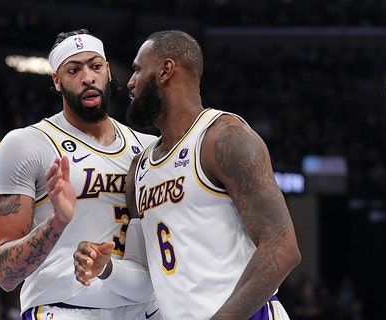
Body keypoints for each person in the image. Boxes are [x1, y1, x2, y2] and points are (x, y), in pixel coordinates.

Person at [74, 30, 301, 320]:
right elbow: (143, 278)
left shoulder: (223, 139)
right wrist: (106, 268)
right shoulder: (139, 170)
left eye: (137, 70)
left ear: (166, 71)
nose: (129, 83)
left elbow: (282, 247)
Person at [0, 29, 159, 320]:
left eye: (95, 66)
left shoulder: (148, 148)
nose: (87, 77)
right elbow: (5, 274)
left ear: (107, 71)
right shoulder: (27, 144)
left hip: (143, 307)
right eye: (73, 69)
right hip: (63, 309)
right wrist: (58, 222)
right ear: (56, 81)